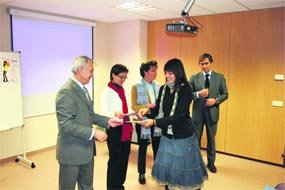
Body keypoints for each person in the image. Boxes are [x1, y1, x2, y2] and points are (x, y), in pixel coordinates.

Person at [138, 58, 208, 190]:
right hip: (168, 135)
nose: (166, 76)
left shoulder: (186, 89)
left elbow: (179, 116)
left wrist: (154, 122)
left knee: (185, 170)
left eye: (170, 73)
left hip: (183, 136)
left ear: (178, 72)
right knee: (169, 171)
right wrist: (147, 110)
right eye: (165, 73)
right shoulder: (163, 88)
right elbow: (158, 108)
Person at [55, 56, 122, 190]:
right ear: (80, 70)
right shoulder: (66, 92)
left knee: (87, 187)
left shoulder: (82, 89)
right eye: (91, 71)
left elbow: (89, 115)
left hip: (86, 151)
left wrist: (108, 121)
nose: (92, 74)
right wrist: (93, 132)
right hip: (72, 153)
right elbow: (67, 124)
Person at [189, 53, 228, 173]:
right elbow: (189, 94)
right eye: (201, 64)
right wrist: (198, 94)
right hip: (198, 113)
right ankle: (195, 163)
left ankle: (211, 163)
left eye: (206, 63)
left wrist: (216, 100)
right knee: (196, 139)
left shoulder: (219, 77)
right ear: (199, 64)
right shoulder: (194, 77)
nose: (204, 66)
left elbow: (225, 94)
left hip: (212, 113)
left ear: (210, 63)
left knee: (211, 139)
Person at [101, 64, 133, 190]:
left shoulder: (122, 90)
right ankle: (112, 187)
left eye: (125, 77)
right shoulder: (107, 92)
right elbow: (104, 112)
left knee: (124, 159)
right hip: (115, 130)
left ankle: (120, 185)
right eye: (121, 77)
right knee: (115, 160)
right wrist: (115, 114)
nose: (123, 80)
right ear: (113, 75)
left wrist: (135, 114)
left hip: (126, 128)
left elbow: (126, 108)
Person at [131, 60, 161, 185]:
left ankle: (158, 172)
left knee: (157, 148)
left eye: (155, 70)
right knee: (143, 148)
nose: (155, 73)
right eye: (153, 70)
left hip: (156, 119)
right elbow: (134, 106)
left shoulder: (158, 85)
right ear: (145, 72)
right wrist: (145, 106)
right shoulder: (136, 86)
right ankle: (141, 173)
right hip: (143, 119)